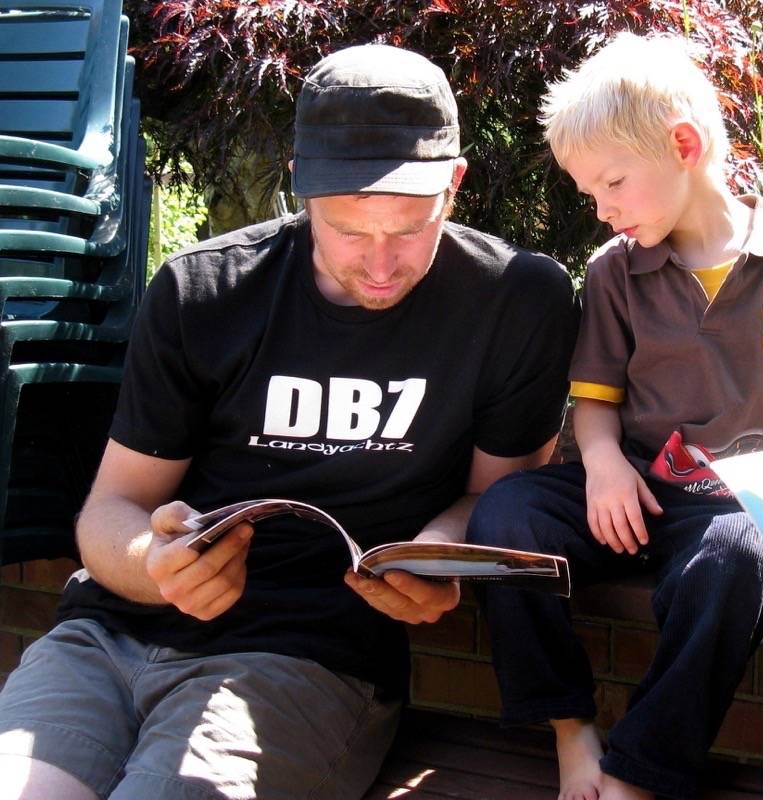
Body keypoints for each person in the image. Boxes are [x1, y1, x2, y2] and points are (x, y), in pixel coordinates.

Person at [0, 44, 578, 800]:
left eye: (409, 228)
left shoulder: (514, 301)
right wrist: (153, 563)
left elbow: (499, 498)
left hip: (306, 660)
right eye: (346, 230)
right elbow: (111, 508)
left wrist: (439, 557)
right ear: (301, 191)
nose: (378, 264)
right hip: (104, 641)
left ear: (455, 186)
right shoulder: (205, 291)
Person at [467, 32, 763, 800]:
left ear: (684, 145)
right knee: (505, 517)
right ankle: (571, 731)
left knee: (738, 560)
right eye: (591, 193)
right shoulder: (615, 271)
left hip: (735, 507)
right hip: (629, 492)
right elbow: (593, 404)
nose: (603, 209)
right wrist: (602, 465)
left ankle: (644, 768)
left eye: (614, 183)